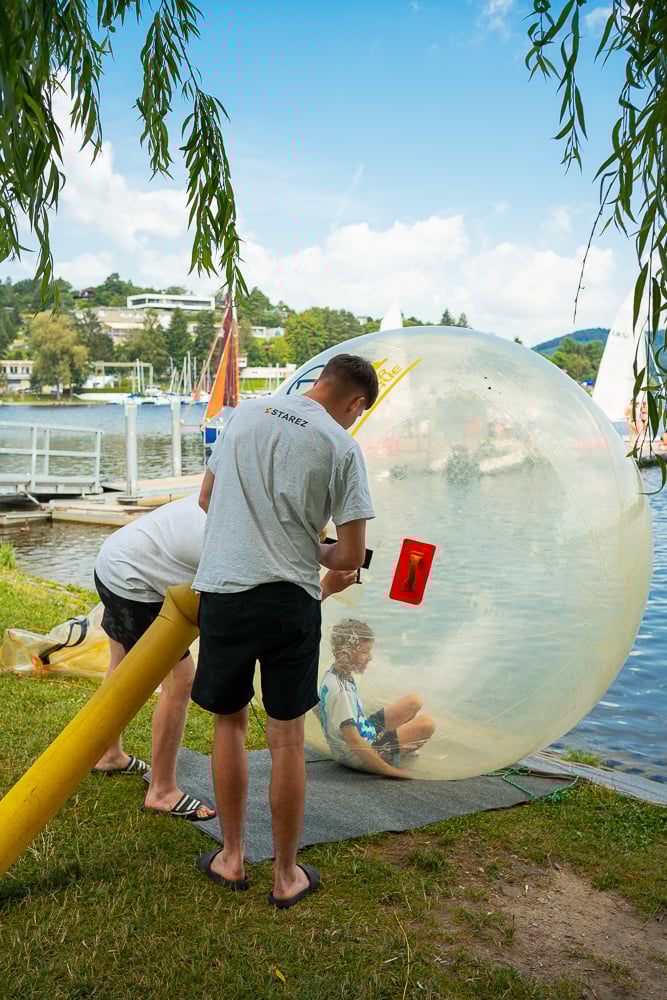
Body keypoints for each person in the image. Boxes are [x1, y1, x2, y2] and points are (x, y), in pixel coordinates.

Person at [192, 353, 378, 907]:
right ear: (355, 403)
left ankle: (230, 857)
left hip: (223, 590)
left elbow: (207, 499)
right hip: (288, 603)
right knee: (287, 738)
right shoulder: (342, 447)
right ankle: (285, 875)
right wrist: (313, 545)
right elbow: (345, 555)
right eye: (358, 413)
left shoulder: (245, 415)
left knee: (229, 724)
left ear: (316, 383)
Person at [92, 493, 355, 822]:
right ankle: (161, 790)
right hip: (135, 579)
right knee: (180, 678)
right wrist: (325, 588)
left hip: (115, 557)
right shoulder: (240, 547)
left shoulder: (247, 503)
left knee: (122, 666)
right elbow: (264, 622)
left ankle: (107, 753)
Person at [318, 619, 435, 778]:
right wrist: (389, 772)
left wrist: (333, 735)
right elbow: (353, 740)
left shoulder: (335, 673)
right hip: (360, 756)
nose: (370, 658)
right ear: (346, 652)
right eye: (365, 652)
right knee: (426, 724)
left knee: (414, 701)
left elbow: (319, 709)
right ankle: (387, 760)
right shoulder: (342, 692)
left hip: (365, 731)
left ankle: (398, 748)